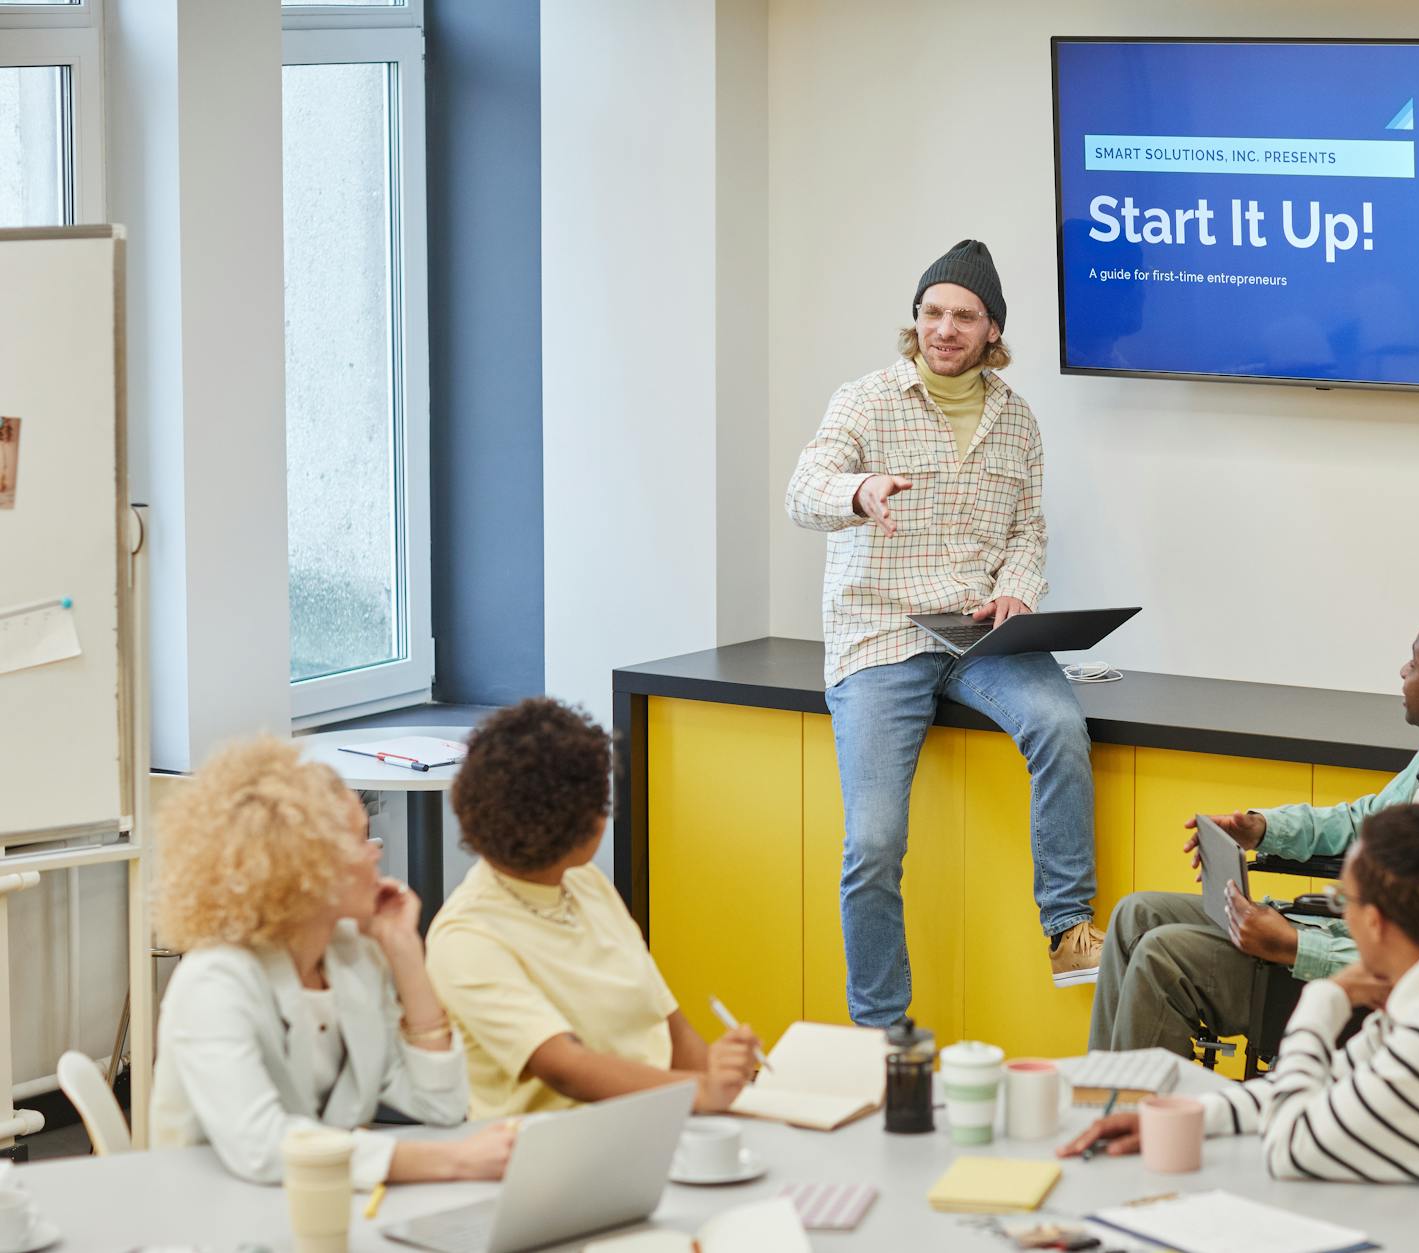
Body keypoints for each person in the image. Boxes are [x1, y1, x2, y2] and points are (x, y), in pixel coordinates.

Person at [784, 238, 1102, 1027]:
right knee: (874, 844)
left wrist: (1017, 594)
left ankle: (1067, 928)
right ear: (915, 320)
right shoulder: (864, 402)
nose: (944, 328)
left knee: (1061, 724)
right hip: (881, 633)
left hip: (976, 633)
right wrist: (860, 490)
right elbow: (804, 490)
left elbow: (1029, 530)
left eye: (963, 316)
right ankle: (882, 1028)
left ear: (992, 330)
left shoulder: (1017, 420)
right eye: (932, 312)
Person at [1063, 805, 1419, 1253]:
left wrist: (1325, 999)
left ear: (1373, 922)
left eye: (1342, 902)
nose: (1338, 913)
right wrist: (1191, 1116)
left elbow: (1291, 1145)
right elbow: (1329, 1085)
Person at [1090, 612, 1419, 1056]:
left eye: (1415, 664)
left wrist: (1293, 945)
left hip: (1370, 990)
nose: (1403, 671)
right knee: (1137, 915)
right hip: (1342, 935)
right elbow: (1364, 821)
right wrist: (1264, 828)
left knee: (1162, 957)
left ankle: (1139, 1128)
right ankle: (1101, 1103)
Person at [150, 737, 512, 1189]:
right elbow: (263, 1147)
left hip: (319, 1205)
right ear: (301, 868)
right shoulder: (215, 982)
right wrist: (452, 1161)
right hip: (215, 1217)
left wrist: (406, 955)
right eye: (358, 840)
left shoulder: (351, 954)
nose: (375, 851)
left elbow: (440, 1105)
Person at [425, 697, 758, 1118]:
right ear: (582, 824)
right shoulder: (467, 937)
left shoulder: (586, 885)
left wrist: (723, 1078)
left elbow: (668, 1024)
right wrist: (701, 1090)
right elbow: (566, 1068)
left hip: (660, 1122)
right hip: (557, 1151)